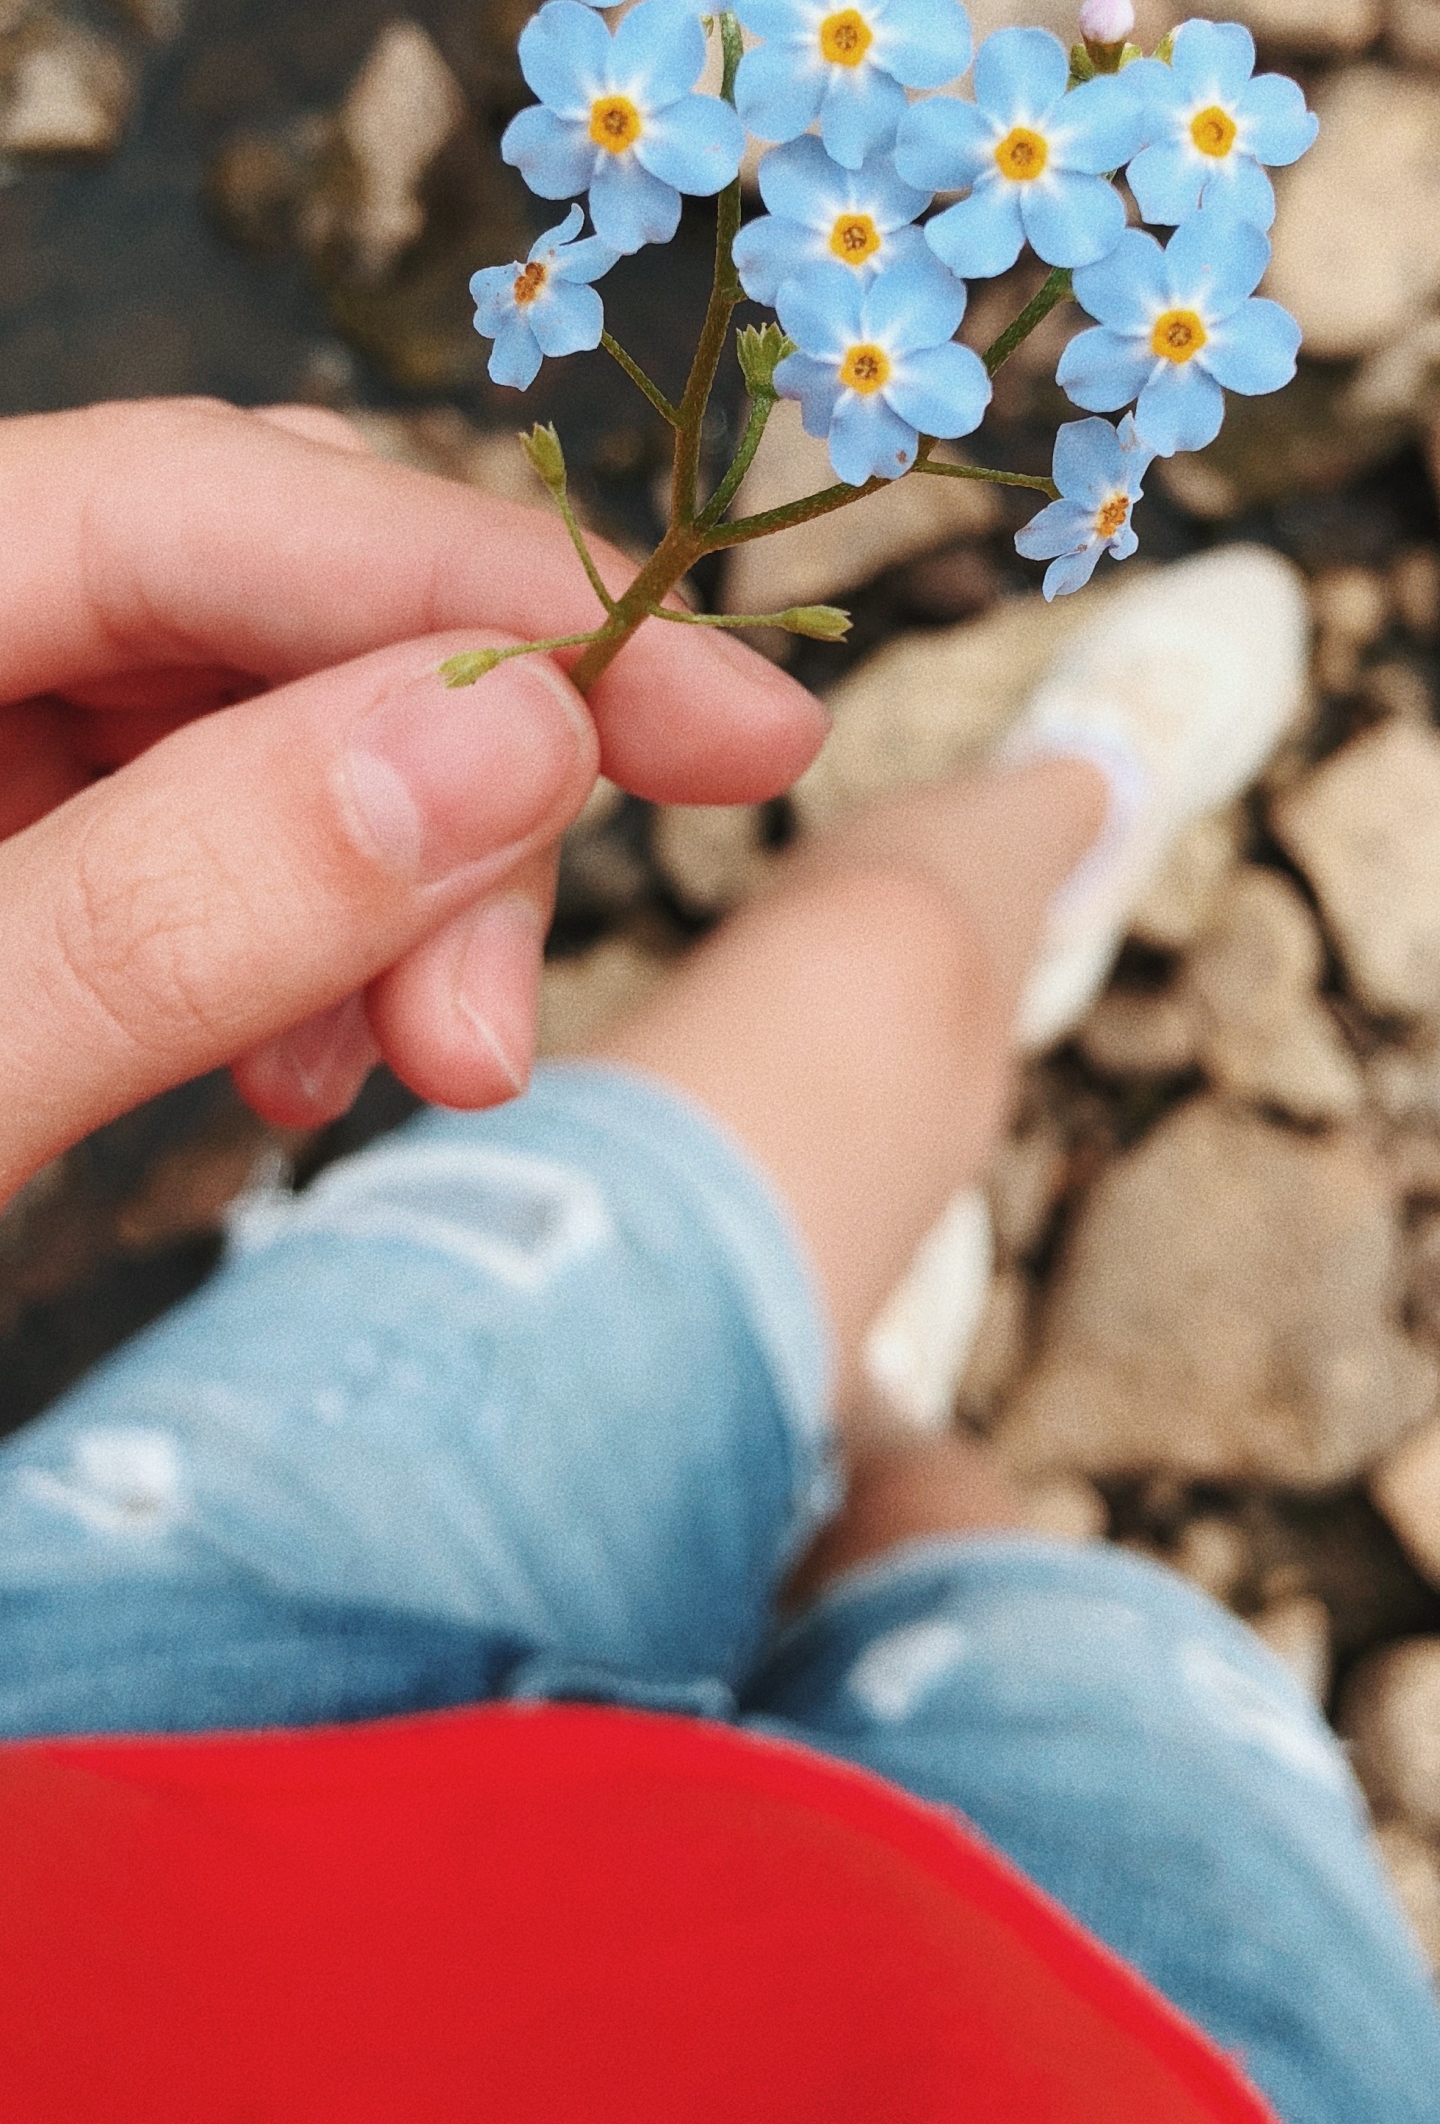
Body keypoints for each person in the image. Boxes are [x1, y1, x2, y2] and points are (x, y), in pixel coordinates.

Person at [0, 396, 1435, 2124]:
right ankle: (870, 1416)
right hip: (1124, 2019)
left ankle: (1062, 809)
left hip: (119, 1752)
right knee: (974, 1563)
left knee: (884, 961)